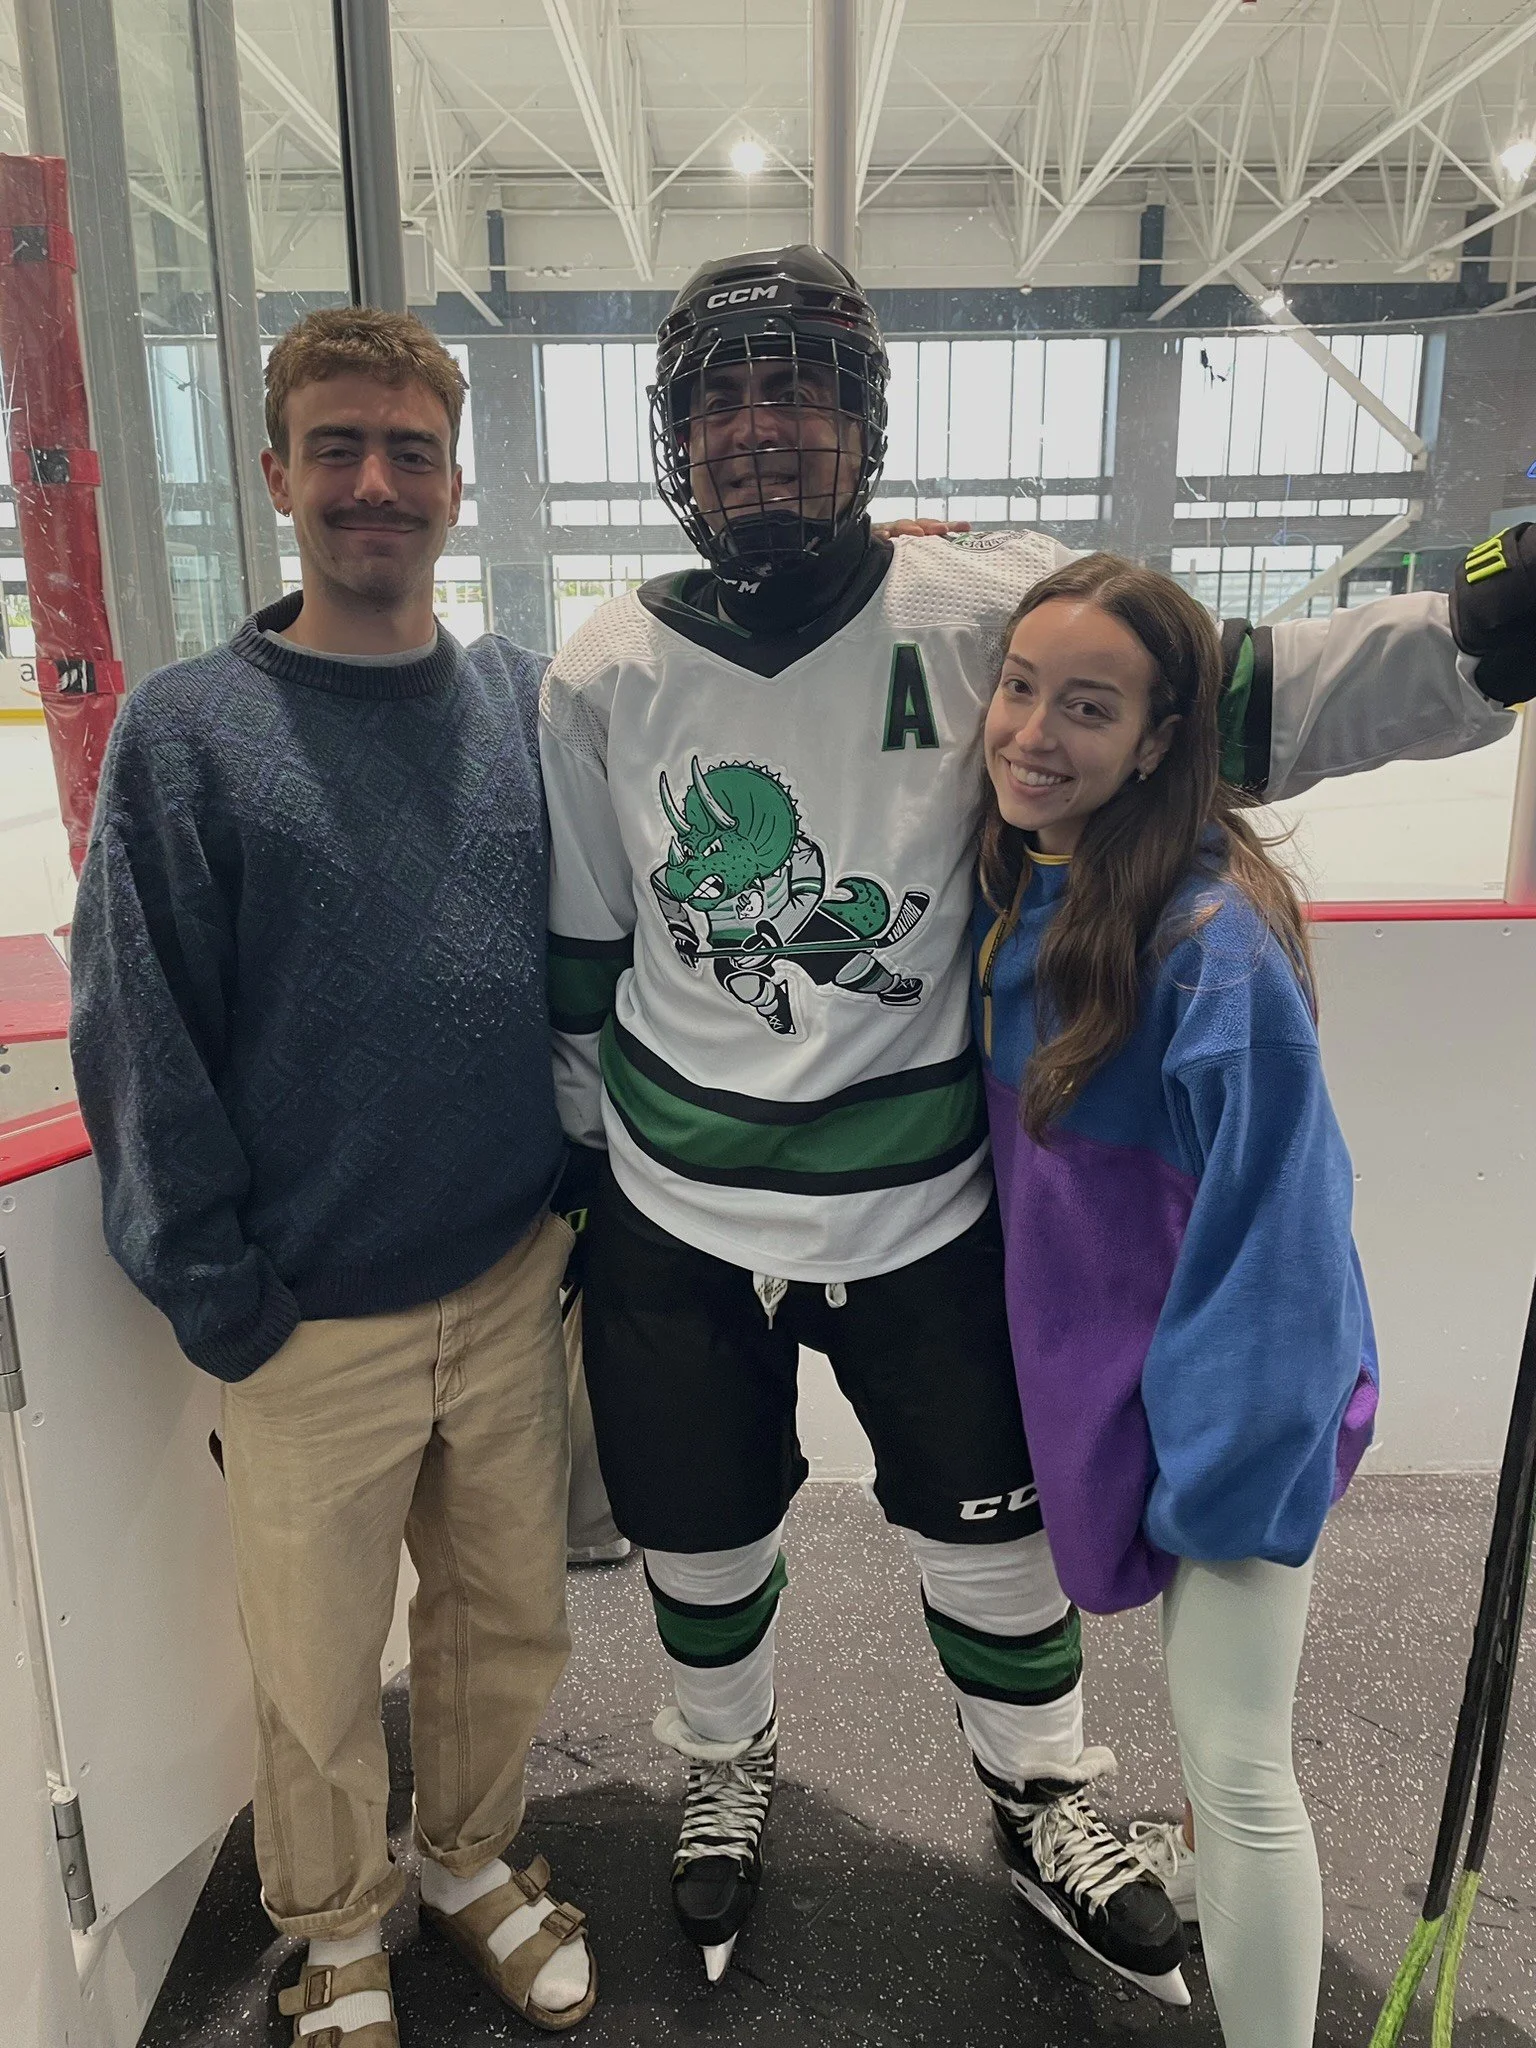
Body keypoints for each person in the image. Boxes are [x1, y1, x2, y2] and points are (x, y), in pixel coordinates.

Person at [539, 243, 1530, 1998]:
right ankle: (724, 1763)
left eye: (798, 391)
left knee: (993, 1539)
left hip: (923, 1203)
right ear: (674, 435)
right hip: (679, 1209)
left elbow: (1241, 695)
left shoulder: (982, 609)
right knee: (697, 1534)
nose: (760, 427)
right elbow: (586, 947)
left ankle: (1042, 1792)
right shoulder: (606, 664)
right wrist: (578, 1185)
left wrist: (1473, 636)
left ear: (865, 422)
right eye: (724, 397)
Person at [70, 308, 595, 2043]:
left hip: (507, 1276)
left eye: (411, 452)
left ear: (456, 482)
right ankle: (336, 1929)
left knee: (507, 1621)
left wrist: (573, 1210)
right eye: (340, 449)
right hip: (308, 1317)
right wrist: (223, 1297)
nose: (378, 483)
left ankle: (468, 1861)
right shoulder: (190, 733)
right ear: (277, 474)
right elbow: (139, 1028)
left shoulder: (522, 703)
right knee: (312, 1671)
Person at [974, 550, 1377, 2045]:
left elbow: (1283, 1254)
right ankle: (1205, 1879)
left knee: (1240, 1765)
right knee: (1212, 1743)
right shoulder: (1029, 885)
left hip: (1235, 1415)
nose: (1033, 732)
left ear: (1159, 742)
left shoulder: (1210, 952)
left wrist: (1221, 1473)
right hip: (1134, 1391)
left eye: (1088, 706)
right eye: (1019, 687)